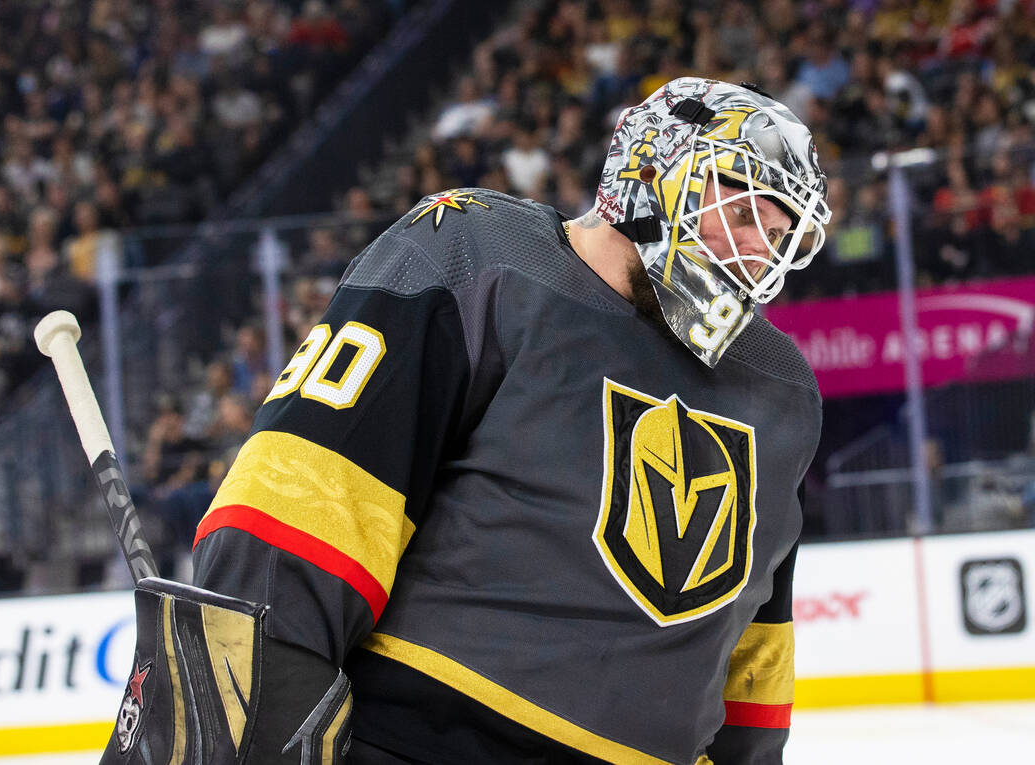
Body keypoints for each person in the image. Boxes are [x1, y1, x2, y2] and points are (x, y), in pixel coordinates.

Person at [102, 78, 831, 764]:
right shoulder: (479, 254)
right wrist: (250, 698)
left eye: (780, 232)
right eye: (741, 213)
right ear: (648, 172)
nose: (758, 251)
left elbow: (756, 659)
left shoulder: (778, 386)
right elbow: (300, 506)